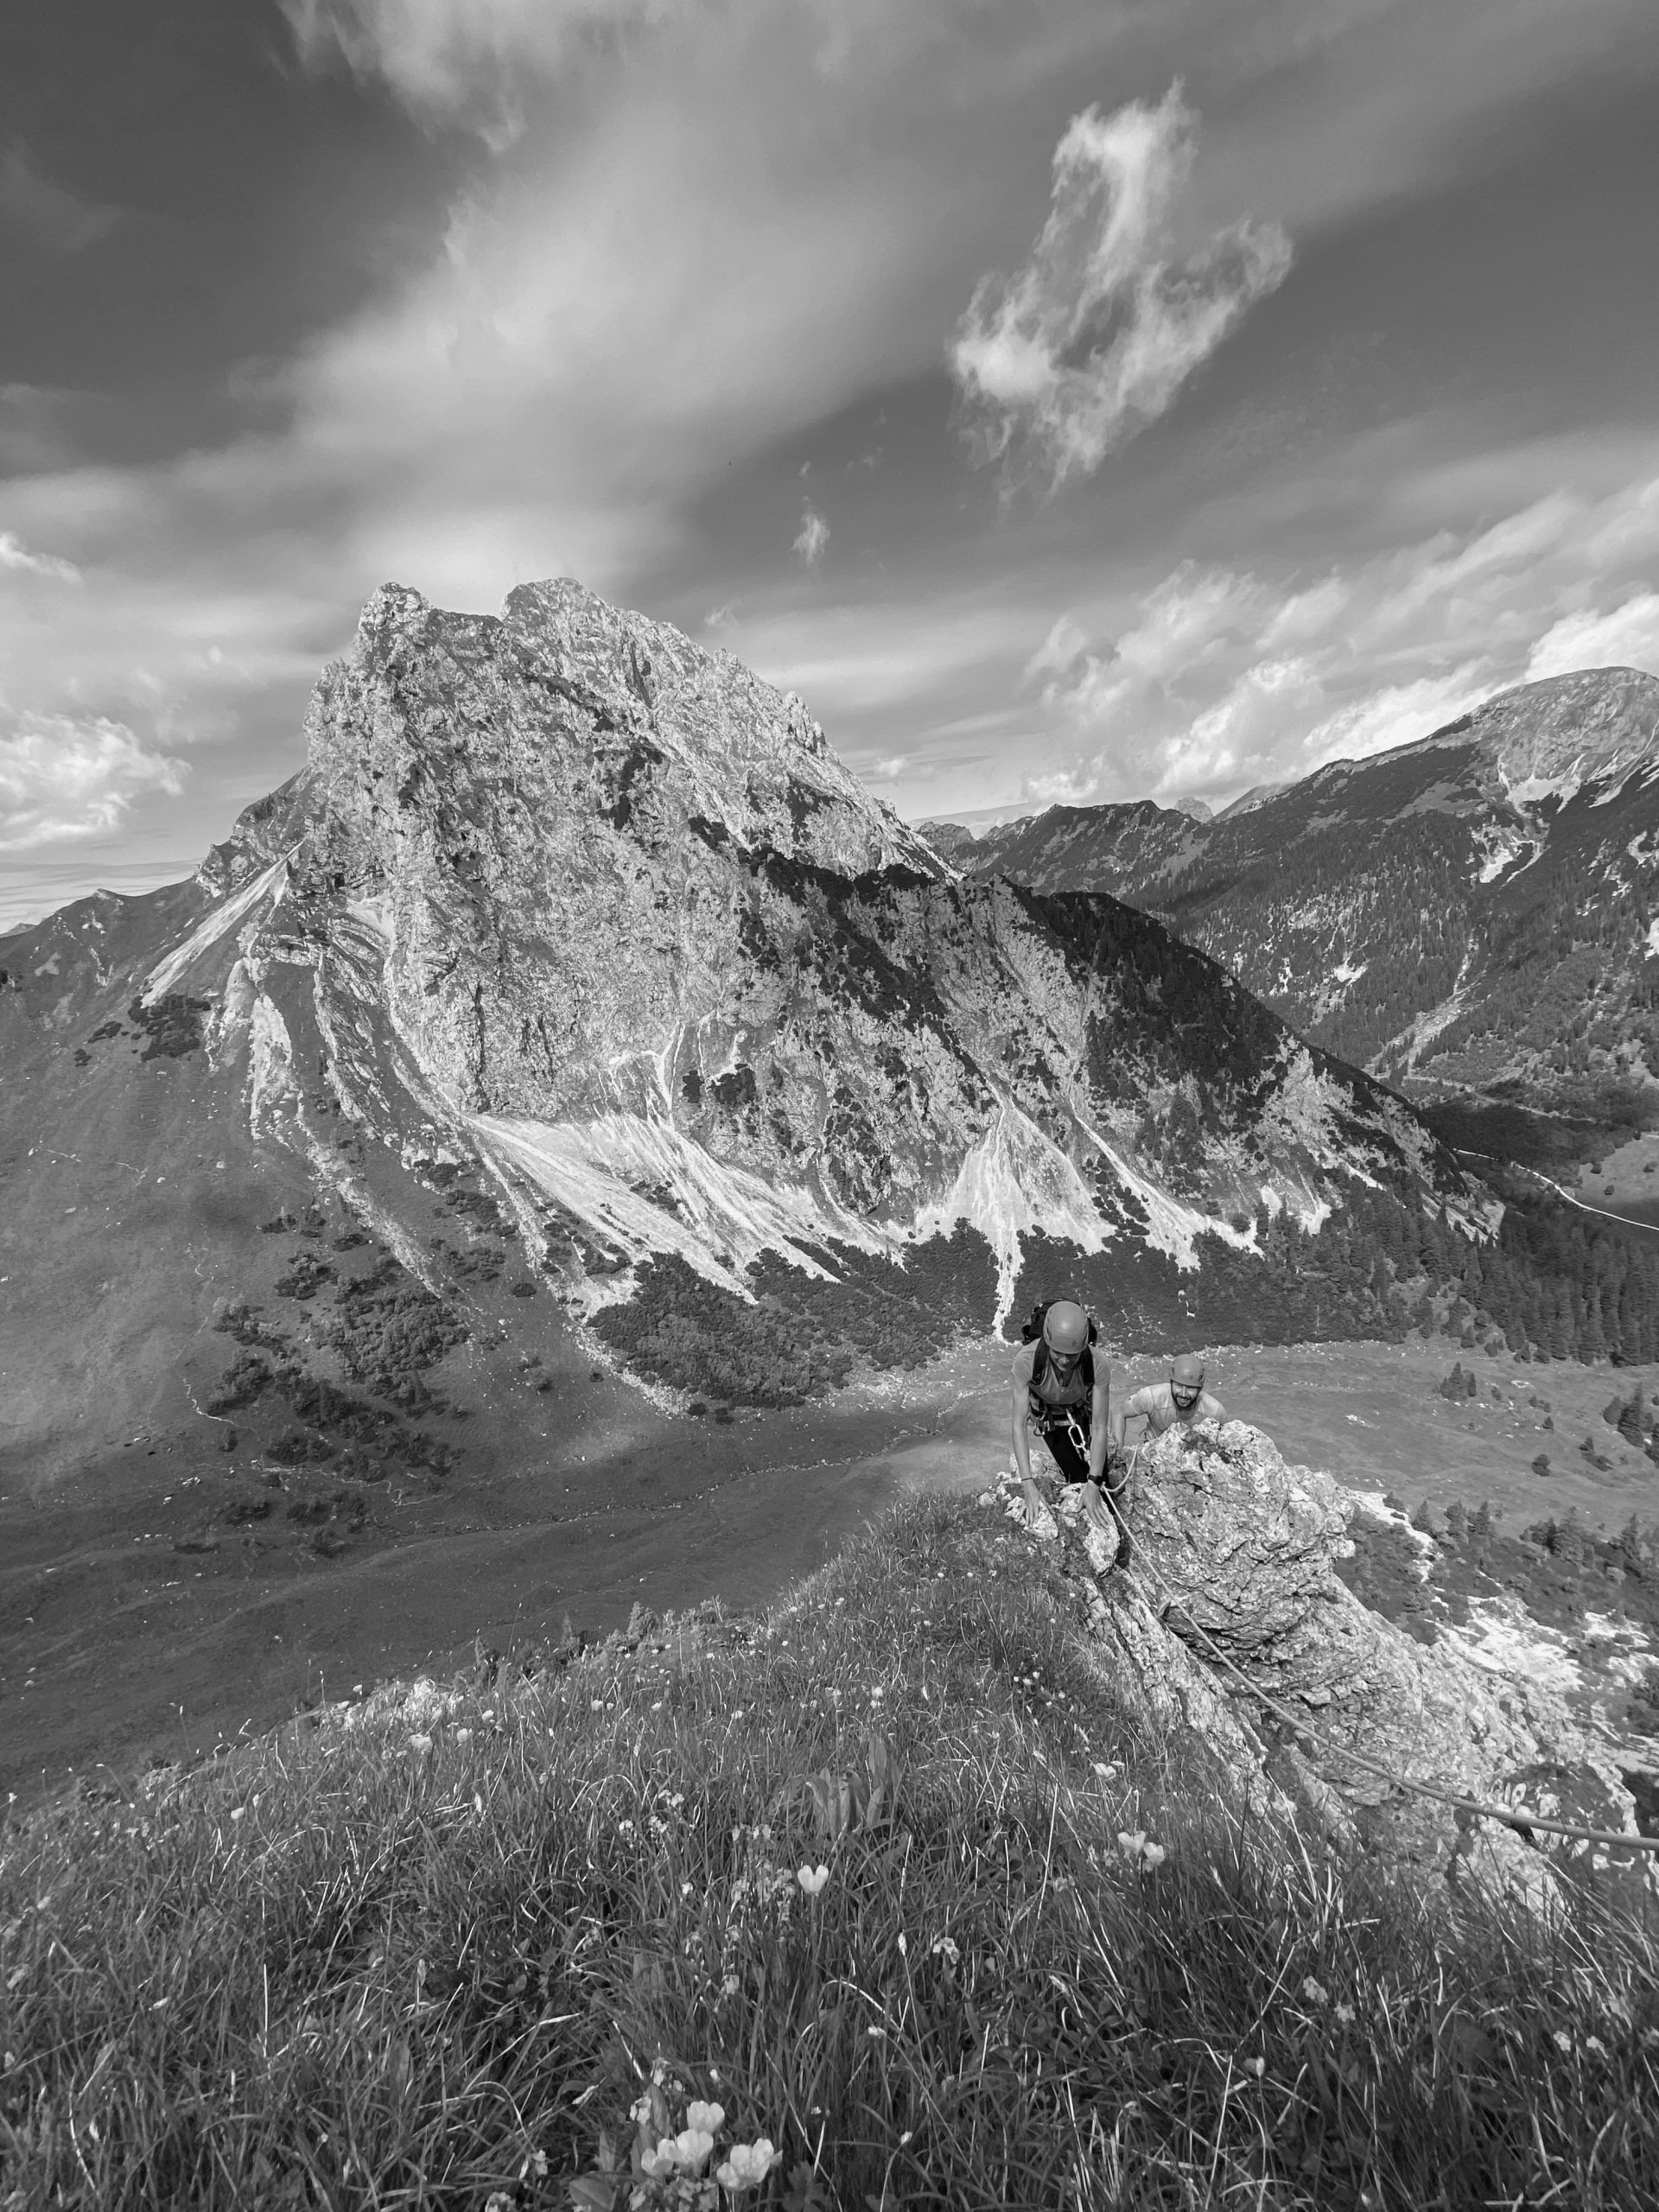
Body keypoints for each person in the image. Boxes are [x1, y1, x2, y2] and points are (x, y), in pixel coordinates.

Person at [1010, 1298, 1129, 1566]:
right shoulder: (1027, 1360)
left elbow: (1099, 1427)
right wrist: (1027, 1483)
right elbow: (1018, 1424)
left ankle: (1116, 1541)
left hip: (1080, 1411)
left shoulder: (1097, 1364)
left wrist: (1095, 1482)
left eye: (1072, 1354)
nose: (1064, 1360)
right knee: (1074, 1472)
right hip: (1048, 1416)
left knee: (1100, 1478)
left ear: (1085, 1346)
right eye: (1057, 1352)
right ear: (1047, 1343)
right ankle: (1092, 1547)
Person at [1109, 1351, 1226, 1461]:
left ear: (1200, 1389)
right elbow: (1119, 1413)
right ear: (1171, 1383)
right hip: (1152, 1453)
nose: (1184, 1394)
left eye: (1190, 1388)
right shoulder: (1152, 1397)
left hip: (1191, 1460)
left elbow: (1225, 1443)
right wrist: (1118, 1453)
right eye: (1179, 1386)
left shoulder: (1214, 1411)